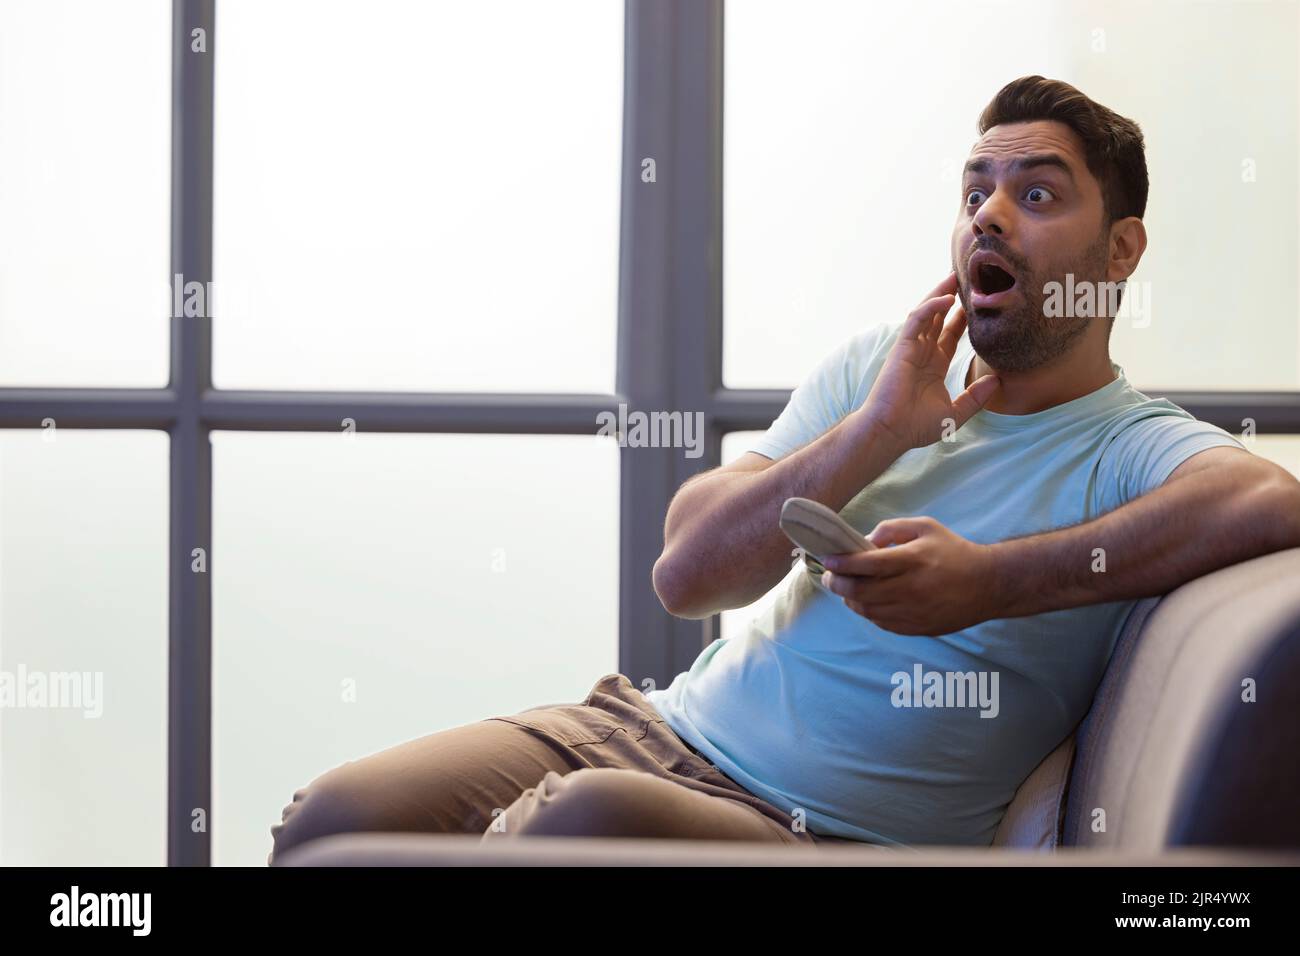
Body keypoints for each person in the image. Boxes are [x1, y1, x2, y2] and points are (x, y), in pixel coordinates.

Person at [268, 76, 1300, 863]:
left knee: (579, 828)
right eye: (974, 191)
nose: (988, 215)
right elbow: (687, 573)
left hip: (821, 837)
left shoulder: (1126, 441)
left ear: (1120, 253)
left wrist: (990, 580)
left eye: (1036, 193)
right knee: (336, 818)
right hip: (654, 726)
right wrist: (878, 431)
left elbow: (1268, 498)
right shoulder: (882, 369)